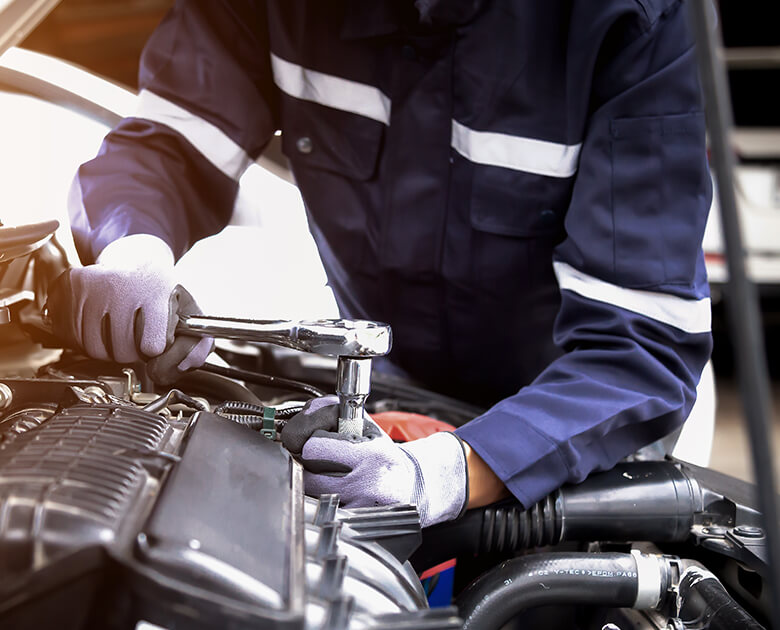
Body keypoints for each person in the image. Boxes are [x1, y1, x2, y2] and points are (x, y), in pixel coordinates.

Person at [49, 0, 713, 527]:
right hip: (384, 417)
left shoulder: (629, 17)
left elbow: (639, 349)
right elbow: (168, 145)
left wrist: (444, 475)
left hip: (576, 433)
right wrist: (132, 247)